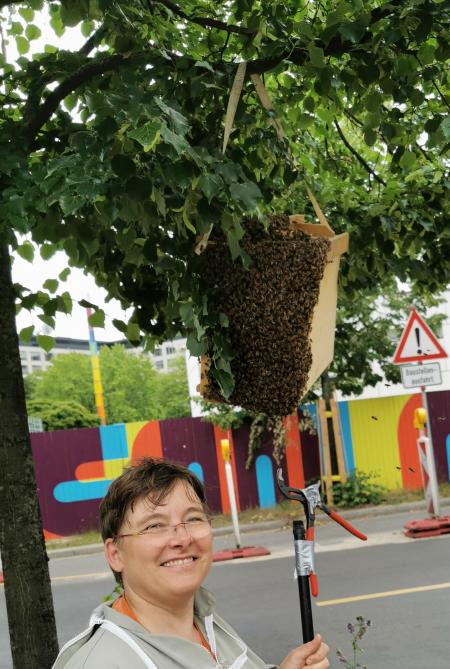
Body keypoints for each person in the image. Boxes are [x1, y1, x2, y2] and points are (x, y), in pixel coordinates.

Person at [52, 458, 329, 669]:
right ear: (115, 554)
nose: (181, 538)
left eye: (194, 518)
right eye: (155, 525)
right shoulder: (103, 662)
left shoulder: (204, 621)